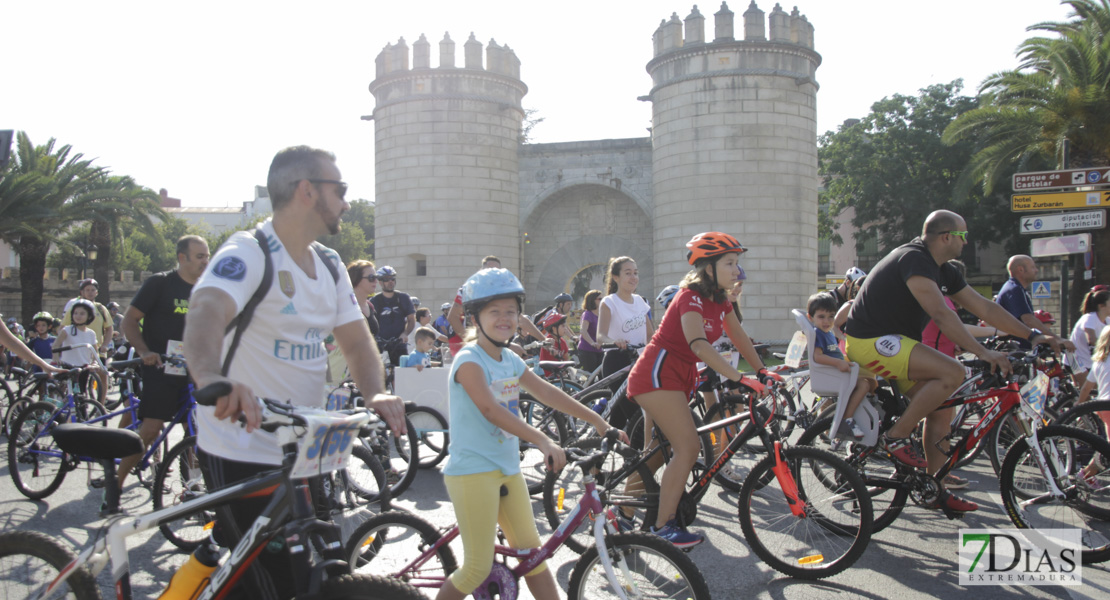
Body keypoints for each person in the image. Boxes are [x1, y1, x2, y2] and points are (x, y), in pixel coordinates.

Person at [182, 145, 405, 598]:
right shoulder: (251, 251)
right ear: (307, 191)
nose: (345, 201)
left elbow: (357, 340)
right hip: (241, 445)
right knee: (273, 585)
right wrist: (210, 378)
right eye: (339, 189)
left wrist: (376, 393)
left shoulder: (328, 264)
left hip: (303, 449)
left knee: (320, 567)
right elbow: (206, 309)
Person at [843, 210, 1067, 513]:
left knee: (941, 411)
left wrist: (1033, 336)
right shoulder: (914, 258)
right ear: (946, 236)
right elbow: (941, 313)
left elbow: (983, 306)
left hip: (898, 343)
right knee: (953, 371)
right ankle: (894, 437)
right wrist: (983, 352)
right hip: (869, 341)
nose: (967, 241)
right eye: (963, 235)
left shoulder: (944, 269)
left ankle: (935, 487)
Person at [435, 268, 626, 600]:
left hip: (507, 468)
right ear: (474, 318)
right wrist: (542, 439)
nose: (505, 318)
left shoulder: (508, 357)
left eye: (511, 311)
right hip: (473, 472)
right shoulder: (469, 359)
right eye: (494, 311)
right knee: (476, 568)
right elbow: (490, 409)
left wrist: (598, 420)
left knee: (534, 557)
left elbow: (548, 393)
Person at [624, 232, 767, 547]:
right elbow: (698, 343)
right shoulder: (689, 296)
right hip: (657, 374)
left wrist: (762, 370)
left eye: (736, 263)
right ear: (708, 268)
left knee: (660, 453)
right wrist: (739, 377)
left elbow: (739, 336)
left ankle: (622, 508)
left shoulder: (720, 300)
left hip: (678, 377)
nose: (736, 270)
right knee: (688, 448)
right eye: (729, 263)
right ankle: (662, 527)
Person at [116, 235, 211, 490]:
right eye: (200, 256)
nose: (206, 261)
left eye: (207, 255)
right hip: (161, 365)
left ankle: (193, 488)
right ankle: (115, 485)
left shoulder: (206, 288)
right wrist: (144, 350)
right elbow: (129, 321)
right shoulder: (160, 283)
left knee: (197, 431)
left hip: (193, 369)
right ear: (183, 258)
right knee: (151, 429)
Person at [808, 292, 877, 440]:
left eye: (831, 316)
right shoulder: (818, 333)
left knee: (872, 383)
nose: (827, 321)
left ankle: (855, 414)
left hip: (838, 373)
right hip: (832, 375)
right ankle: (847, 418)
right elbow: (817, 357)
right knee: (864, 385)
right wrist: (839, 363)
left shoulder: (828, 333)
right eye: (821, 317)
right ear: (810, 317)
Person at [445, 255, 544, 356]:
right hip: (464, 344)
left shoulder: (499, 291)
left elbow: (520, 318)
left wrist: (544, 340)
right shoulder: (468, 289)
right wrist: (474, 343)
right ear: (481, 271)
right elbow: (452, 317)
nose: (492, 274)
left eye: (496, 271)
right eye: (489, 270)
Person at [597, 256, 655, 428]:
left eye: (635, 273)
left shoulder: (641, 302)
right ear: (616, 277)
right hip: (617, 362)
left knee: (619, 418)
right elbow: (600, 336)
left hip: (639, 362)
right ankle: (637, 454)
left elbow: (651, 335)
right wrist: (615, 341)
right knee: (637, 416)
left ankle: (607, 449)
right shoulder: (609, 302)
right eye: (628, 273)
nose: (633, 277)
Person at [61, 278, 112, 404]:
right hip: (79, 351)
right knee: (77, 381)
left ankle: (100, 405)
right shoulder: (74, 309)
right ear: (82, 292)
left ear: (97, 292)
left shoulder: (101, 308)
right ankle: (72, 403)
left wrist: (105, 345)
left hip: (97, 350)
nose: (90, 292)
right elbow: (63, 328)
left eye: (92, 290)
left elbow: (109, 329)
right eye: (87, 290)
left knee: (103, 377)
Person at [1076, 326, 1110, 479]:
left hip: (1102, 407)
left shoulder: (1099, 362)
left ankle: (1086, 476)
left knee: (1107, 446)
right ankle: (1084, 475)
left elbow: (1086, 389)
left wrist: (1078, 407)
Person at [370, 265, 416, 365]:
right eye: (387, 279)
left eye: (392, 279)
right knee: (379, 375)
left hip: (399, 344)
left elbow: (411, 319)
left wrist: (405, 333)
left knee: (401, 374)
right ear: (380, 282)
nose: (390, 282)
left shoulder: (403, 298)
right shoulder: (374, 301)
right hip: (380, 344)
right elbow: (370, 322)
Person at [1066, 288, 1110, 389]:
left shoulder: (1107, 320)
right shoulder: (1090, 318)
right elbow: (1092, 340)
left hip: (1090, 360)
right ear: (1101, 306)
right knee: (1087, 391)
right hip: (1075, 360)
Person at [346, 259, 380, 337]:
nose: (376, 281)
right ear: (356, 278)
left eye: (376, 277)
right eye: (371, 278)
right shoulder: (345, 306)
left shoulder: (370, 306)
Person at [576, 290, 603, 373]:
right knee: (591, 375)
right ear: (592, 300)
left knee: (602, 376)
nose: (603, 300)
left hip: (600, 350)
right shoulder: (588, 314)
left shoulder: (602, 314)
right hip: (587, 350)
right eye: (600, 299)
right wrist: (592, 343)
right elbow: (583, 331)